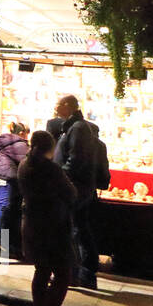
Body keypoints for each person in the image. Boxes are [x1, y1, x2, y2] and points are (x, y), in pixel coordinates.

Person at [18, 129, 77, 306]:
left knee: (42, 271)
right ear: (51, 148)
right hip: (53, 227)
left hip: (33, 224)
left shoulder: (25, 165)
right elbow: (71, 193)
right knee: (62, 274)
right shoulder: (50, 169)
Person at [53, 94, 99, 289]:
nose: (55, 107)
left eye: (58, 103)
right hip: (77, 188)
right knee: (78, 228)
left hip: (75, 189)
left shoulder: (78, 128)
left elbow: (76, 159)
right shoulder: (74, 127)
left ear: (68, 106)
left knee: (72, 229)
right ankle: (81, 273)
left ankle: (76, 273)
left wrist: (60, 176)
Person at [0, 122, 30, 256]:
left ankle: (1, 241)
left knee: (6, 208)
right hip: (6, 177)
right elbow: (27, 162)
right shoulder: (19, 143)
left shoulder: (6, 142)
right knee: (3, 206)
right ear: (22, 133)